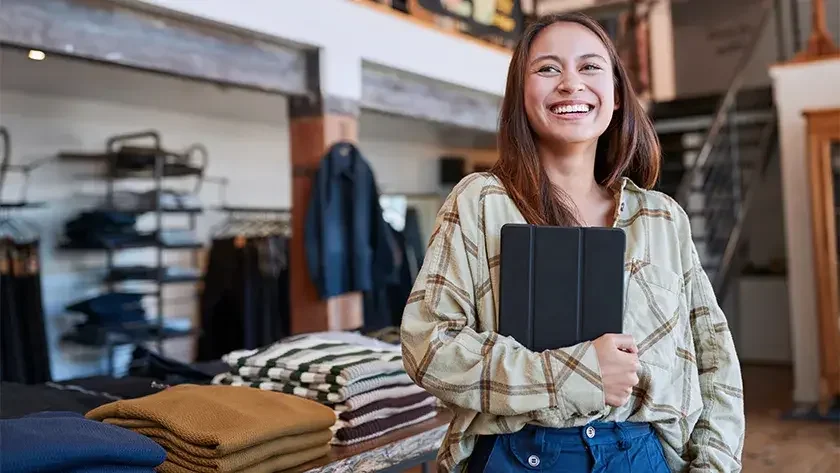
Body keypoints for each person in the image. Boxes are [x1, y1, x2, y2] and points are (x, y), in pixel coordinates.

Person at [400, 12, 745, 473]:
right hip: (517, 454)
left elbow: (715, 361)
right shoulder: (479, 203)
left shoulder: (662, 218)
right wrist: (576, 373)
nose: (570, 84)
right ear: (520, 96)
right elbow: (428, 345)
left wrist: (715, 465)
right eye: (547, 69)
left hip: (642, 456)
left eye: (589, 67)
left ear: (617, 95)